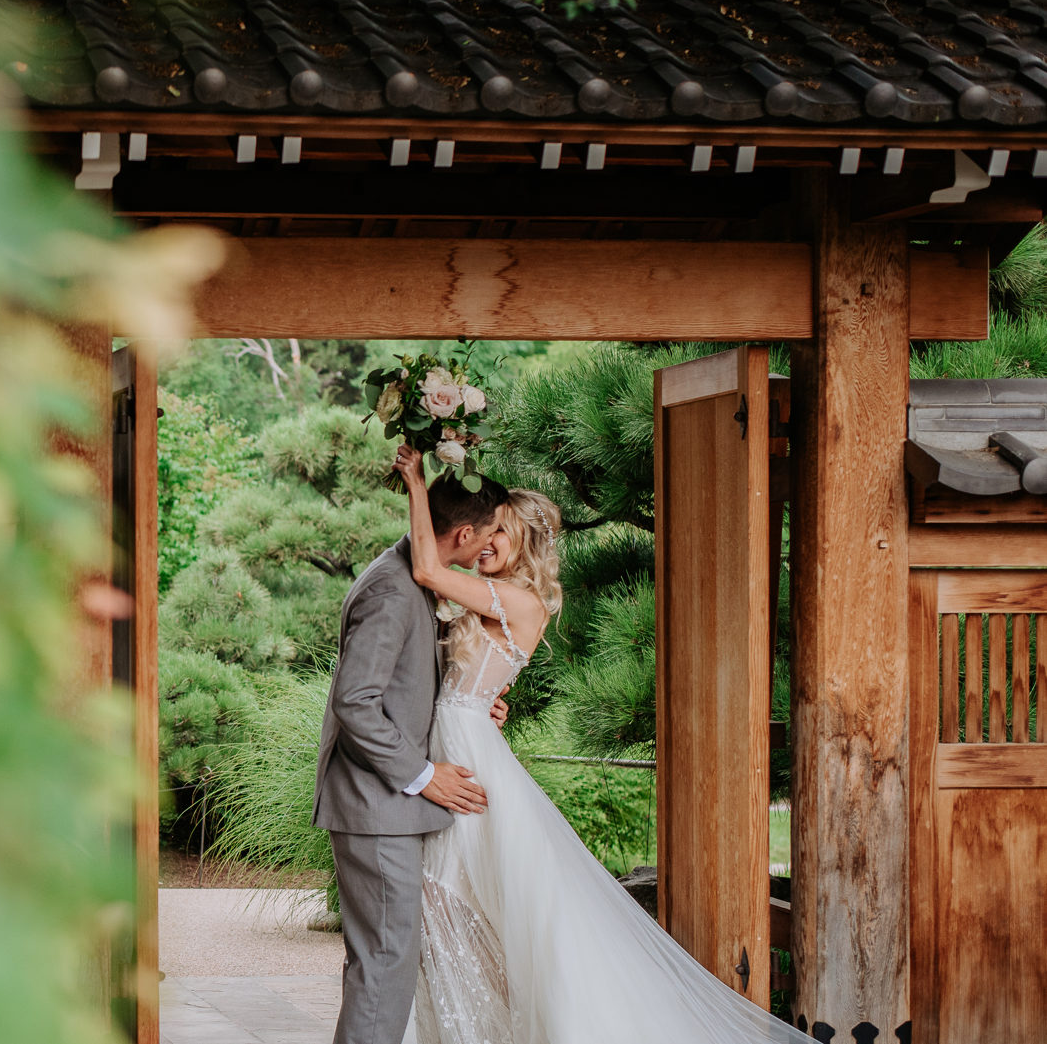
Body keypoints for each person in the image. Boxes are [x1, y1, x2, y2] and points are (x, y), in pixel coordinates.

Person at [393, 445, 808, 1044]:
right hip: (464, 740)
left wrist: (415, 480)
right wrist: (483, 702)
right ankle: (474, 1025)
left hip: (470, 758)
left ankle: (486, 1028)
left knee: (453, 898)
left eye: (499, 534)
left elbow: (429, 571)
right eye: (485, 532)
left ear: (524, 544)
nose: (485, 542)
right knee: (451, 900)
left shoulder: (521, 601)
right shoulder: (492, 597)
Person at [312, 471, 511, 1044]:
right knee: (386, 964)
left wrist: (472, 711)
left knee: (386, 961)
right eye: (490, 533)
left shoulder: (414, 577)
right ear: (465, 532)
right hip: (377, 806)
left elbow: (408, 685)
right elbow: (356, 701)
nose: (491, 545)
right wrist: (423, 775)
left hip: (386, 809)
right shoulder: (392, 589)